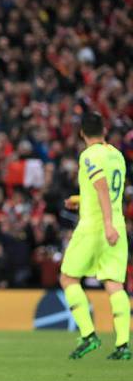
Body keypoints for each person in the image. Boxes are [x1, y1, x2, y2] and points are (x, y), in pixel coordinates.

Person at [60, 112, 130, 360]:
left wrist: (106, 224)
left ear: (82, 133)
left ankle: (89, 335)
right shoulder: (117, 155)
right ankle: (123, 345)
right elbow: (110, 192)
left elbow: (100, 186)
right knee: (114, 285)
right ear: (104, 130)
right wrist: (81, 201)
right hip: (117, 226)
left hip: (95, 227)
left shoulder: (89, 155)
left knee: (68, 278)